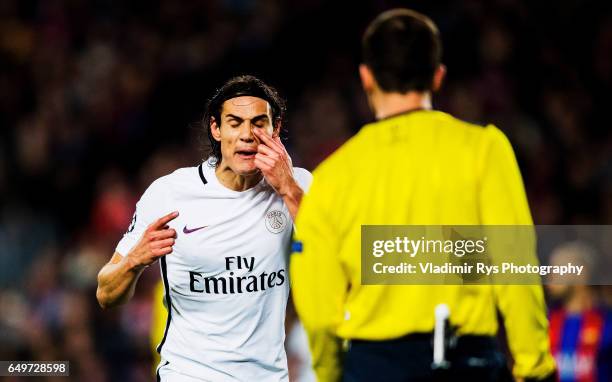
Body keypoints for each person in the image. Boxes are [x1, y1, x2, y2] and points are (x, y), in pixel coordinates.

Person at [290, 9, 557, 382]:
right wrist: (535, 367)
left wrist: (333, 373)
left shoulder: (333, 175)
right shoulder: (484, 149)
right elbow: (515, 263)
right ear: (438, 75)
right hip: (466, 363)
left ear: (366, 77)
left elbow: (318, 304)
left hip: (371, 367)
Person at [96, 75, 312, 382]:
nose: (247, 134)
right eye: (234, 122)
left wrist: (288, 188)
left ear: (275, 129)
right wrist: (134, 260)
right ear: (216, 129)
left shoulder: (300, 185)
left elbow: (331, 258)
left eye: (259, 123)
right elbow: (106, 294)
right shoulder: (169, 193)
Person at [547, 242, 612, 382]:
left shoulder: (606, 324)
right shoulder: (545, 322)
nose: (549, 275)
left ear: (581, 273)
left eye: (557, 268)